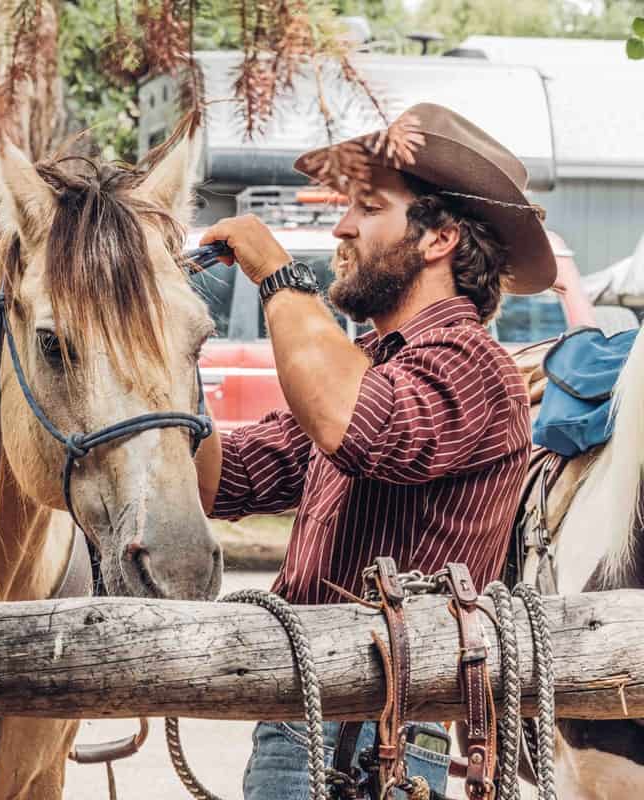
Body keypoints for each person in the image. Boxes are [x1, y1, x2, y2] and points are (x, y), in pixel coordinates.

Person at [196, 103, 557, 798]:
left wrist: (278, 275)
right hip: (309, 722)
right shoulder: (369, 364)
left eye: (366, 206)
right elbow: (226, 481)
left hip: (379, 739)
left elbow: (357, 427)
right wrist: (168, 354)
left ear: (439, 238)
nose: (341, 227)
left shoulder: (470, 363)